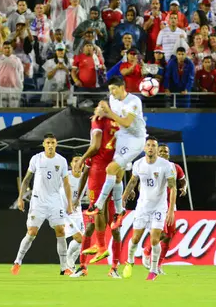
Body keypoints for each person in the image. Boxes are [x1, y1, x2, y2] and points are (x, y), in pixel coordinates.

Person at [86, 76, 147, 234]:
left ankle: (98, 205)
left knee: (110, 170)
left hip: (135, 140)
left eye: (114, 89)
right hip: (121, 138)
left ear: (122, 87)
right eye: (110, 89)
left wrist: (107, 113)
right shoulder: (112, 99)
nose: (111, 92)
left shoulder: (134, 102)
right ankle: (119, 212)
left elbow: (126, 122)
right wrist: (99, 110)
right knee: (118, 176)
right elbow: (104, 107)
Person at [71, 108, 122, 278]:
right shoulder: (93, 155)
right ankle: (83, 267)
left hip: (111, 195)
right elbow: (85, 175)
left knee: (115, 231)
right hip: (97, 191)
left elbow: (120, 173)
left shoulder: (111, 152)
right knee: (89, 228)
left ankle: (114, 268)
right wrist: (78, 197)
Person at [12, 133, 73, 275]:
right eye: (48, 143)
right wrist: (20, 198)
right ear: (44, 144)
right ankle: (17, 262)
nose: (50, 145)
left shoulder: (62, 161)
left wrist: (69, 203)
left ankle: (64, 268)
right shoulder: (37, 159)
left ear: (56, 144)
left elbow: (66, 184)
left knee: (61, 231)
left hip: (55, 201)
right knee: (32, 232)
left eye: (53, 142)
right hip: (38, 201)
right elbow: (26, 179)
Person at [121, 136, 176, 281]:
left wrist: (170, 210)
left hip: (159, 207)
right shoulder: (138, 164)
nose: (151, 148)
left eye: (153, 145)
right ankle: (130, 261)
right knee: (135, 238)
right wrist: (123, 198)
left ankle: (153, 270)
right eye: (148, 145)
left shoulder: (166, 165)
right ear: (145, 148)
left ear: (157, 149)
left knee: (154, 239)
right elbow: (133, 182)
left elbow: (173, 187)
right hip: (142, 207)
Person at [140, 144, 186, 274]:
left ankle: (159, 265)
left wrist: (184, 187)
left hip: (170, 205)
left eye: (166, 152)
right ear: (157, 153)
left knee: (169, 235)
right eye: (161, 151)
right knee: (162, 233)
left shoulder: (175, 167)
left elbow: (183, 181)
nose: (164, 153)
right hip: (156, 206)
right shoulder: (151, 167)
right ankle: (147, 250)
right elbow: (142, 184)